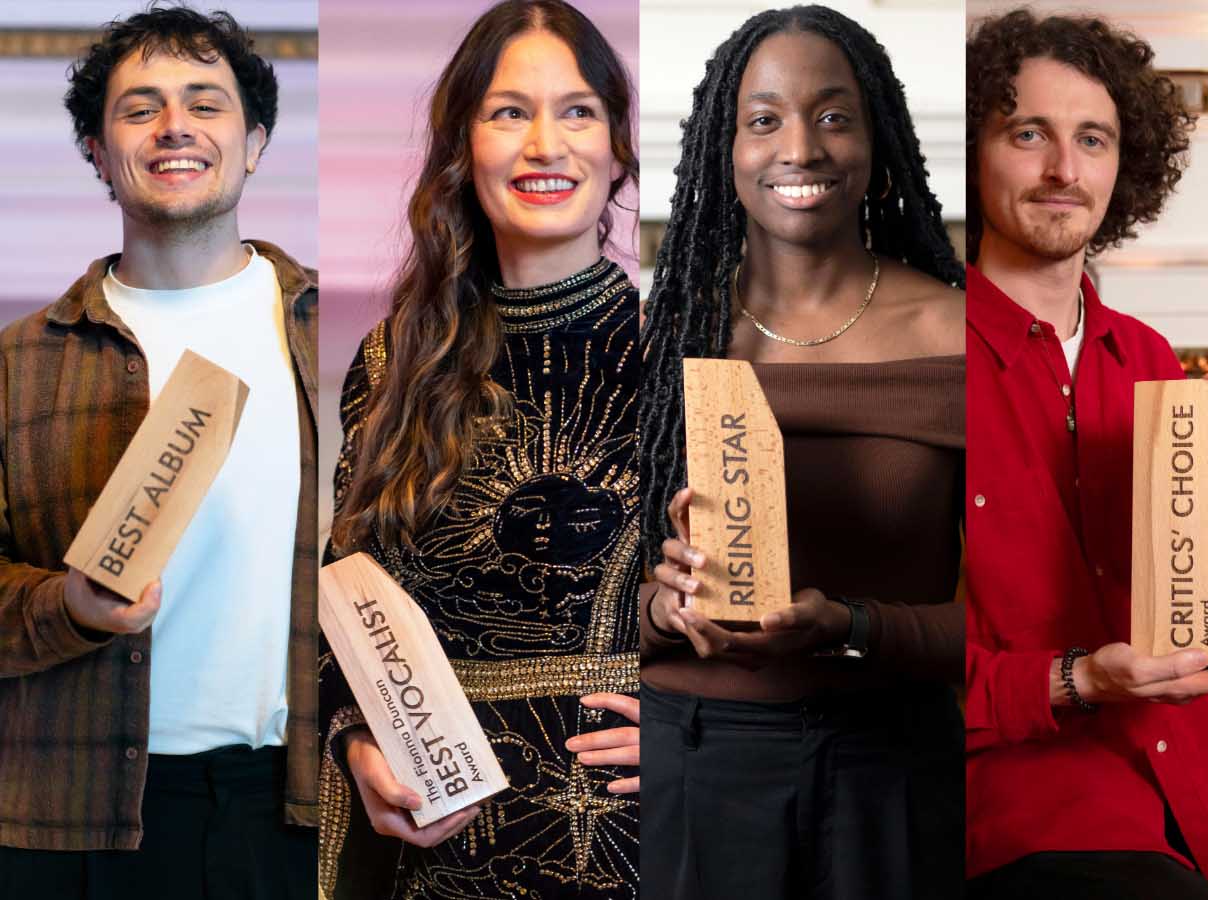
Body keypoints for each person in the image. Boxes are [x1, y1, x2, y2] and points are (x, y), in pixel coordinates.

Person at [636, 6, 966, 898]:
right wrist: (662, 608)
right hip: (696, 758)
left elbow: (1021, 621)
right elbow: (584, 603)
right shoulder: (666, 334)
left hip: (892, 762)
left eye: (832, 115)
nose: (801, 149)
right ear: (724, 146)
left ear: (877, 139)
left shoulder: (963, 334)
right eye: (764, 118)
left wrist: (854, 625)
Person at [319, 2, 642, 898]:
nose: (546, 143)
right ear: (464, 147)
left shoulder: (694, 352)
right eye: (509, 113)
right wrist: (354, 739)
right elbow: (341, 592)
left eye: (578, 111)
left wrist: (707, 734)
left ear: (619, 146)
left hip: (629, 836)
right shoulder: (393, 359)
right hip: (426, 840)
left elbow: (768, 617)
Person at [0, 7, 318, 899]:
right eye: (140, 108)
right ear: (99, 154)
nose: (175, 125)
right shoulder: (18, 362)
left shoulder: (346, 341)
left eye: (205, 104)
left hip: (289, 809)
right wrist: (66, 605)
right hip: (66, 822)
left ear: (253, 143)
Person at [962, 10, 1208, 900]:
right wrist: (1076, 680)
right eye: (1030, 133)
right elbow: (875, 660)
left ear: (1122, 164)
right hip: (1020, 810)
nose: (1065, 169)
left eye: (1092, 139)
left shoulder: (1146, 355)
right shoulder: (916, 361)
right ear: (974, 154)